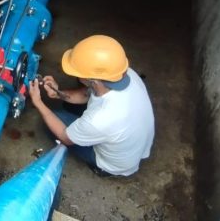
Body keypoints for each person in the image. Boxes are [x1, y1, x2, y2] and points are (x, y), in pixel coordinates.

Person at [28, 34, 155, 177]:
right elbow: (87, 93)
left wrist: (38, 103)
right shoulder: (122, 73)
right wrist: (58, 93)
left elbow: (65, 137)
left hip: (113, 165)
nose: (76, 75)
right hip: (131, 146)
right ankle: (85, 131)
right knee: (69, 105)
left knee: (50, 122)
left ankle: (100, 169)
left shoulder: (101, 118)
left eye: (79, 73)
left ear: (93, 80)